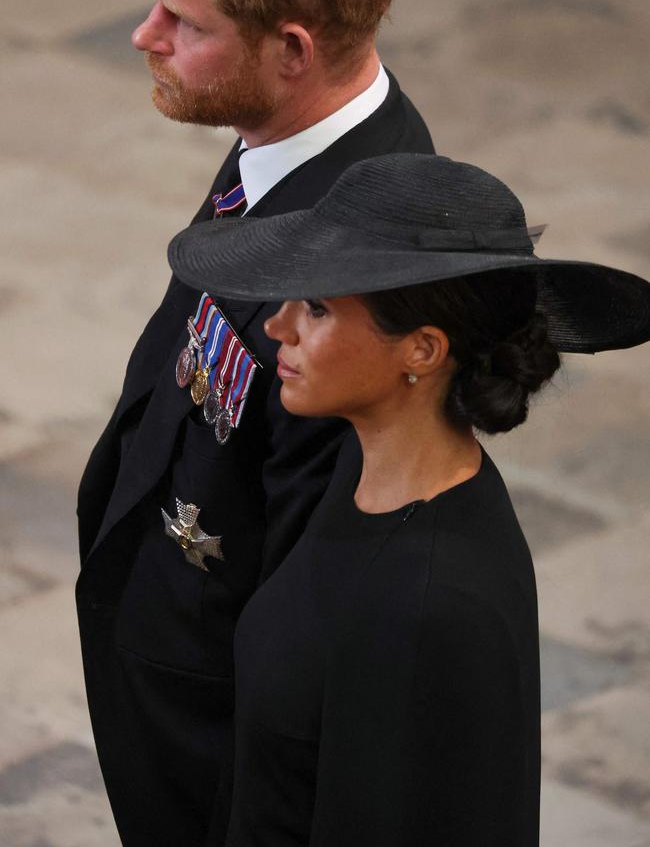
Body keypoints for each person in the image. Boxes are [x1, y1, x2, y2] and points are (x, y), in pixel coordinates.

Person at [75, 0, 434, 844]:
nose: (145, 35)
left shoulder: (360, 287)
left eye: (184, 23)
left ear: (290, 49)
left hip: (223, 758)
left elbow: (319, 628)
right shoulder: (285, 137)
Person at [168, 152, 650, 846]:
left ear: (421, 351)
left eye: (317, 307)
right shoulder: (365, 477)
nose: (277, 330)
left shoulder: (427, 604)